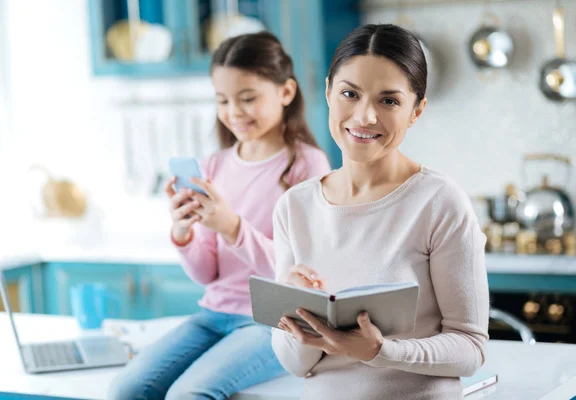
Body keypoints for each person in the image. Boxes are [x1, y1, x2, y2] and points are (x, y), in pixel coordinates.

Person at [107, 32, 331, 400]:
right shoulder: (213, 165)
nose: (234, 113)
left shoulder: (307, 165)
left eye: (248, 98)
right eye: (223, 100)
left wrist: (232, 228)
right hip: (212, 316)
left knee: (186, 396)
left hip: (274, 322)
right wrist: (184, 232)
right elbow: (206, 274)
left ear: (286, 93)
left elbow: (303, 274)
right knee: (127, 390)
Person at [271, 24, 490, 400]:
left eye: (389, 101)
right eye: (349, 94)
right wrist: (296, 311)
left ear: (416, 111)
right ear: (328, 92)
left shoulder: (439, 201)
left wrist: (380, 352)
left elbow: (470, 348)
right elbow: (296, 364)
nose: (365, 116)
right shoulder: (295, 206)